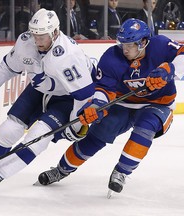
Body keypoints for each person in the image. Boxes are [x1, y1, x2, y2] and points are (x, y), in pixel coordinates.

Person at [37, 18, 184, 198]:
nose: (125, 49)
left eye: (130, 45)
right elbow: (104, 89)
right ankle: (61, 169)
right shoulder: (112, 57)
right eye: (123, 44)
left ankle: (121, 172)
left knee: (146, 127)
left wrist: (170, 69)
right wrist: (97, 105)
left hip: (157, 104)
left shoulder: (161, 46)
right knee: (96, 136)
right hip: (122, 104)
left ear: (144, 42)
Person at [0, 8, 96, 195]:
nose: (37, 40)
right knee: (9, 128)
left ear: (55, 33)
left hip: (67, 98)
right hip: (40, 89)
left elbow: (85, 95)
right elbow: (8, 67)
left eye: (42, 36)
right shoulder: (26, 41)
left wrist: (75, 124)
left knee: (37, 137)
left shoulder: (68, 56)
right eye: (35, 34)